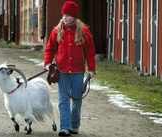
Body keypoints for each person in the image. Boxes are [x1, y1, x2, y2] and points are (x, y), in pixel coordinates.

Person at [43, 1, 96, 136]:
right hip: (62, 71)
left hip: (78, 71)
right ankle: (65, 127)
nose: (64, 18)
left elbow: (90, 51)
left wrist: (91, 69)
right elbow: (50, 49)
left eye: (67, 15)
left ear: (74, 16)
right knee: (63, 100)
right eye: (63, 15)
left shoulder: (84, 31)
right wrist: (48, 63)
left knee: (77, 99)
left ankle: (74, 125)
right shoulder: (57, 31)